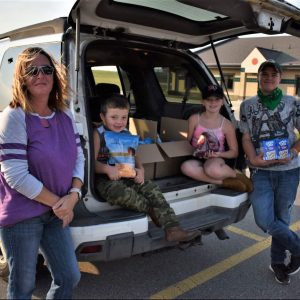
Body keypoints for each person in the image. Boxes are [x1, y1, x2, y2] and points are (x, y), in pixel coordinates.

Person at [0, 47, 85, 299]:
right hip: (22, 215)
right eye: (32, 70)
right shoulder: (14, 117)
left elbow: (78, 158)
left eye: (47, 69)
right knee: (23, 286)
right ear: (22, 78)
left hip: (57, 212)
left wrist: (74, 195)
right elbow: (15, 175)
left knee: (69, 276)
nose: (40, 75)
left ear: (55, 76)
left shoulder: (66, 115)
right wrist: (61, 204)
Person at [93, 94, 201, 243]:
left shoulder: (126, 133)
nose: (119, 122)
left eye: (124, 118)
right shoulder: (98, 135)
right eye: (114, 117)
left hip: (127, 174)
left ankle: (173, 229)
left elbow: (135, 155)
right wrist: (107, 169)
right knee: (118, 192)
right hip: (105, 178)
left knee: (152, 189)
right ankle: (151, 210)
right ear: (103, 117)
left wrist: (141, 169)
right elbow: (92, 164)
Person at [239, 59, 300, 285]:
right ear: (259, 76)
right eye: (265, 74)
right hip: (260, 171)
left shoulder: (292, 103)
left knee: (282, 219)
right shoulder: (247, 105)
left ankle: (277, 263)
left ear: (280, 78)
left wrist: (292, 152)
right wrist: (253, 158)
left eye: (274, 74)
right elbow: (245, 136)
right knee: (265, 220)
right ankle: (297, 248)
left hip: (289, 170)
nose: (269, 78)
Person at [181, 84, 253, 193]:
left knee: (212, 169)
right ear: (203, 102)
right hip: (198, 157)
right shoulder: (194, 119)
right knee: (185, 167)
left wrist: (218, 154)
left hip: (217, 159)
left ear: (222, 101)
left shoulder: (227, 125)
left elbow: (234, 152)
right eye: (209, 99)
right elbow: (188, 142)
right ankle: (225, 182)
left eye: (217, 99)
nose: (213, 103)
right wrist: (196, 150)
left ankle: (236, 174)